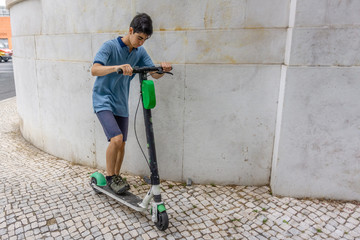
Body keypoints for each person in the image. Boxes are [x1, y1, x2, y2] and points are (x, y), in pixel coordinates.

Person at [91, 13, 172, 194]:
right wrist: (117, 67)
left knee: (122, 143)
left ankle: (116, 176)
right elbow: (94, 70)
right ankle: (111, 177)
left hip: (121, 103)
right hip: (103, 99)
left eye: (145, 39)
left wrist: (163, 69)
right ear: (130, 30)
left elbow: (154, 74)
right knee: (116, 139)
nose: (141, 42)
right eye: (139, 38)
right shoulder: (110, 46)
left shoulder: (139, 52)